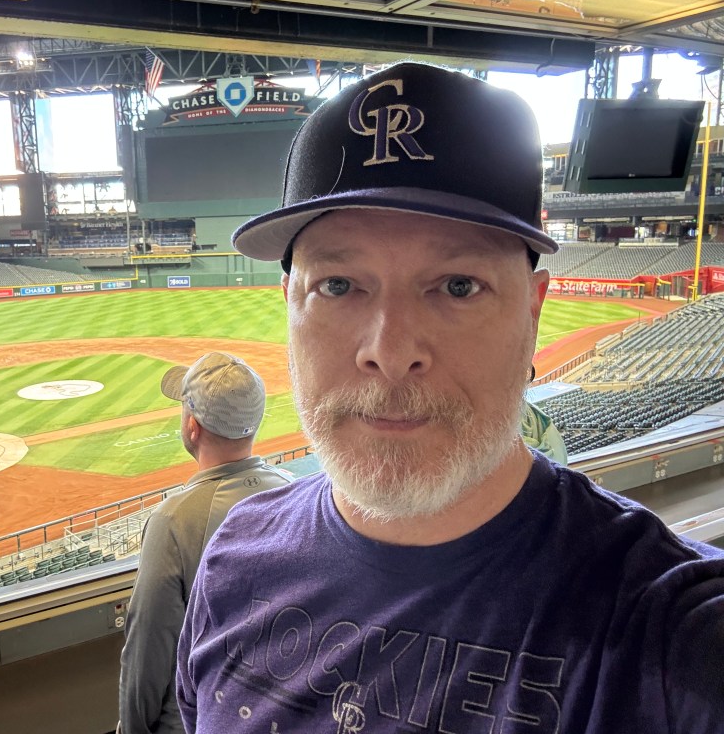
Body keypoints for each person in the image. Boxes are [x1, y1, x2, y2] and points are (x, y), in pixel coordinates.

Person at [177, 63, 724, 733]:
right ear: (289, 304)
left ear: (533, 312)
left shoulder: (670, 631)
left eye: (458, 286)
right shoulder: (231, 562)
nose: (390, 350)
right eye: (338, 286)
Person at [118, 351, 292, 734]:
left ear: (192, 427)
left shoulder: (173, 520)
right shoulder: (294, 493)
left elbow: (147, 651)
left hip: (196, 719)